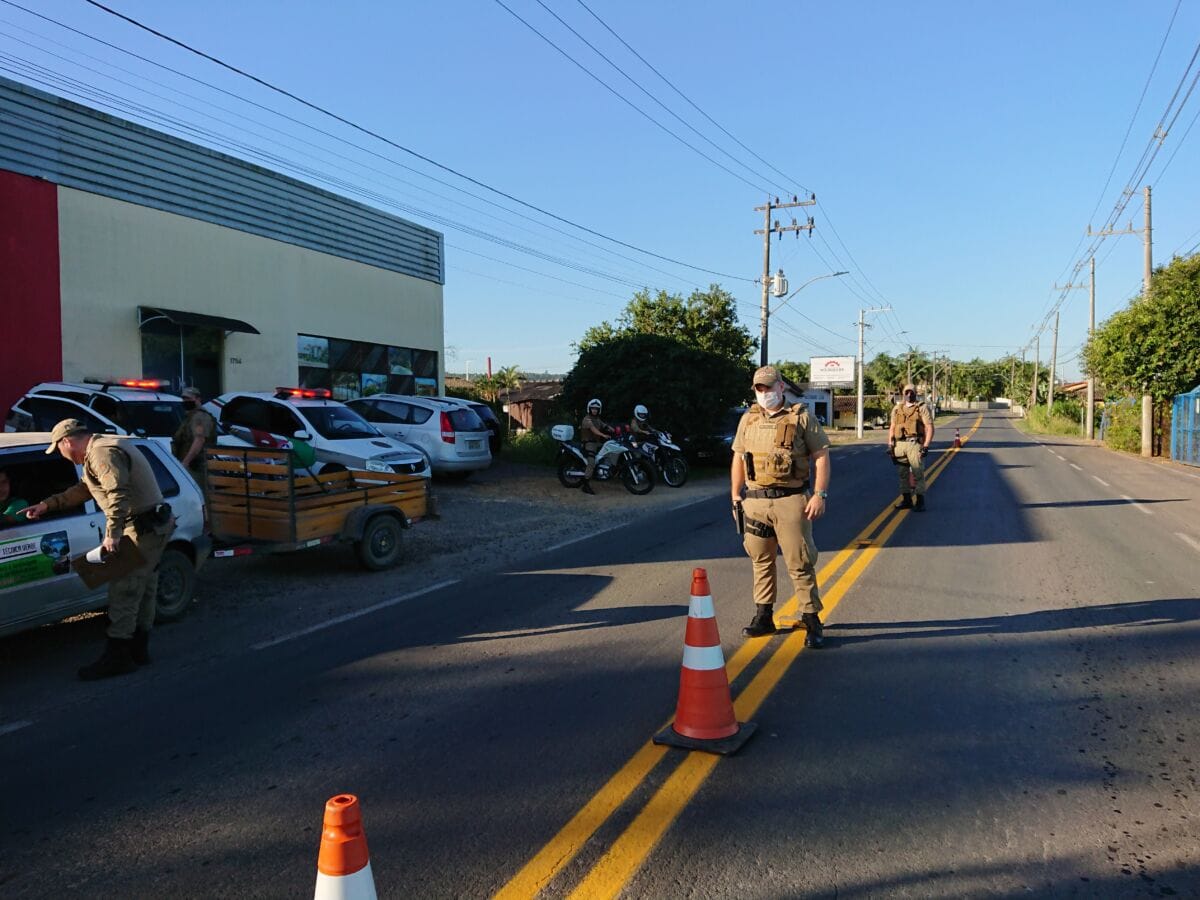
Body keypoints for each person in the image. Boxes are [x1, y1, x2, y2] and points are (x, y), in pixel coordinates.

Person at [24, 419, 174, 680]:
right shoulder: (103, 447)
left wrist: (112, 535)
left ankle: (118, 657)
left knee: (124, 589)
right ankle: (138, 650)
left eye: (58, 449)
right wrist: (47, 505)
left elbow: (117, 493)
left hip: (139, 529)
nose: (61, 455)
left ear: (67, 441)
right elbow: (86, 489)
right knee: (145, 585)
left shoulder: (101, 452)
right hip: (153, 526)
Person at [731, 366, 831, 647]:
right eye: (759, 389)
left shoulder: (801, 418)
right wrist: (735, 495)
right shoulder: (748, 420)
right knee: (760, 560)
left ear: (781, 387)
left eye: (768, 387)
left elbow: (821, 456)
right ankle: (764, 616)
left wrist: (819, 494)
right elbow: (739, 458)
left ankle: (812, 619)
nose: (764, 393)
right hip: (755, 500)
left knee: (799, 562)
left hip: (791, 500)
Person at [888, 383, 934, 511]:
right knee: (902, 474)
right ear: (903, 393)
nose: (909, 395)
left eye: (912, 392)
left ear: (915, 393)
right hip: (899, 445)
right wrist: (890, 444)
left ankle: (920, 502)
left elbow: (929, 427)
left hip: (915, 444)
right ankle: (906, 500)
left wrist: (925, 446)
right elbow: (892, 427)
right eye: (907, 392)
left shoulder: (922, 408)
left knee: (918, 473)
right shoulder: (897, 409)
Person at [171, 386, 218, 492]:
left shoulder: (200, 416)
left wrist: (186, 462)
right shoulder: (191, 416)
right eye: (184, 398)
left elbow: (199, 440)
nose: (186, 401)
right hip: (191, 464)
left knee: (200, 495)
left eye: (189, 398)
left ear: (198, 399)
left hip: (197, 465)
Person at [579, 398, 614, 495]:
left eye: (596, 409)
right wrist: (603, 435)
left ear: (599, 410)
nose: (594, 410)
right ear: (589, 409)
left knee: (609, 450)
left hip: (596, 443)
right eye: (593, 408)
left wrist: (614, 430)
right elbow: (594, 430)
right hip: (588, 443)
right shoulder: (587, 419)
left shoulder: (597, 419)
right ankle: (585, 485)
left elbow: (604, 426)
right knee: (591, 462)